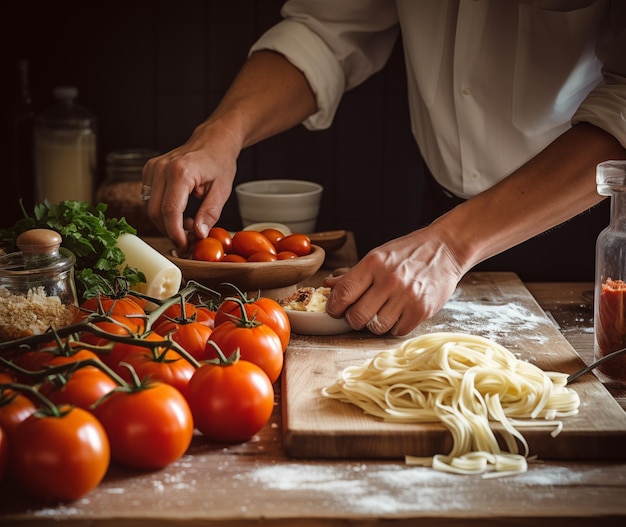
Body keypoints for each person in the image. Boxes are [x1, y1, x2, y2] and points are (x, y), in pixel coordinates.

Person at [141, 1, 626, 336]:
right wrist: (223, 132)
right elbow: (326, 31)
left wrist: (451, 245)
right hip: (436, 218)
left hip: (589, 237)